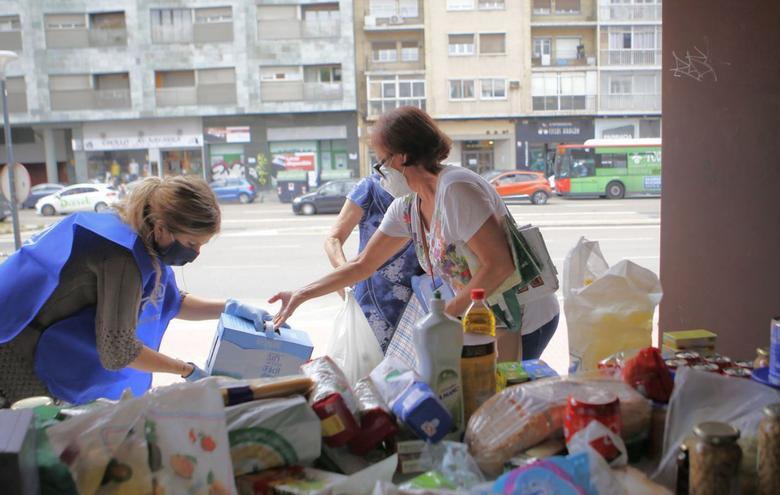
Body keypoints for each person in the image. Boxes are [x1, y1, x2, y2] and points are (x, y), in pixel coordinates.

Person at [271, 106, 560, 360]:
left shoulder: (456, 190)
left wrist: (444, 315)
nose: (380, 174)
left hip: (524, 319)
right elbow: (362, 265)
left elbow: (499, 264)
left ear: (402, 158)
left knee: (502, 406)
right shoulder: (409, 207)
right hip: (485, 319)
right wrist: (301, 294)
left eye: (381, 162)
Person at [0, 176, 271, 406]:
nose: (196, 253)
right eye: (191, 242)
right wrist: (187, 370)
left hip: (44, 346)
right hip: (19, 356)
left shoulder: (141, 235)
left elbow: (170, 301)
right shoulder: (121, 258)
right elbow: (118, 351)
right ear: (162, 227)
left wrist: (228, 308)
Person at [324, 172, 423, 352]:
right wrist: (345, 274)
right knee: (368, 362)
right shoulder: (370, 187)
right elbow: (333, 238)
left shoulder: (425, 185)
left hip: (419, 296)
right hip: (371, 297)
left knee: (414, 368)